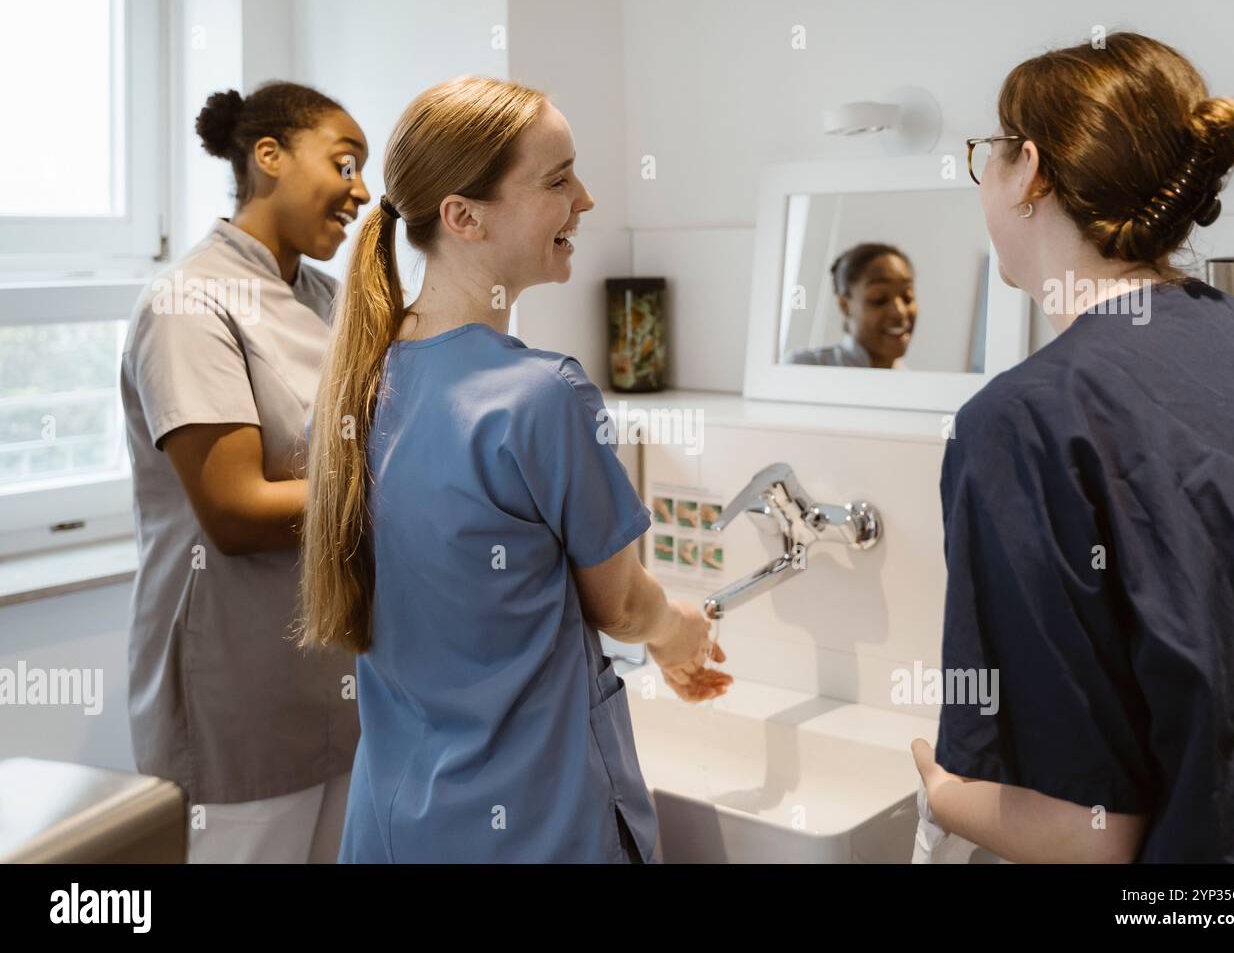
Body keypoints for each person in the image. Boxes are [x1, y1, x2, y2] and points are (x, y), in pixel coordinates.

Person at [297, 75, 732, 864]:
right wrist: (679, 634)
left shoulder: (355, 386)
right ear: (463, 217)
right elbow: (625, 605)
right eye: (558, 179)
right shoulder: (542, 396)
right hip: (536, 830)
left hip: (395, 829)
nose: (587, 199)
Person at [910, 32, 1234, 862]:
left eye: (990, 153)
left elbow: (1089, 835)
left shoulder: (1019, 424)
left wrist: (943, 791)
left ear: (1033, 172)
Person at [120, 81, 371, 862]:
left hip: (336, 679)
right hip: (239, 691)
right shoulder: (189, 305)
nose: (362, 190)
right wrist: (406, 497)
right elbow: (234, 514)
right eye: (345, 162)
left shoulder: (332, 302)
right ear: (268, 156)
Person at [784, 243, 916, 368]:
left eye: (907, 298)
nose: (899, 312)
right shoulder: (805, 367)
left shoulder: (914, 384)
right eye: (879, 300)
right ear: (845, 305)